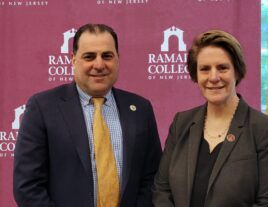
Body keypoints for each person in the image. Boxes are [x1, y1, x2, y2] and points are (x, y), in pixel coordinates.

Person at [13, 23, 162, 207]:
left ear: (118, 59)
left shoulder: (141, 108)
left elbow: (153, 179)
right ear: (74, 60)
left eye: (107, 56)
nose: (99, 65)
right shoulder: (42, 107)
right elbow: (27, 186)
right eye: (89, 56)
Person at [152, 30, 268, 206]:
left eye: (222, 68)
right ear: (195, 75)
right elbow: (162, 189)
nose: (213, 77)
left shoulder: (263, 129)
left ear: (237, 72)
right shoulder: (181, 123)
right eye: (205, 69)